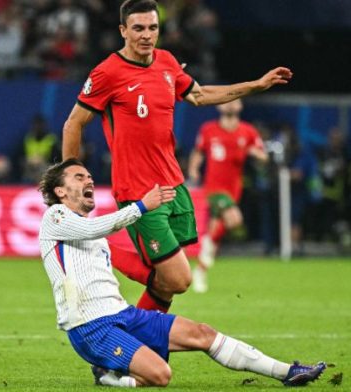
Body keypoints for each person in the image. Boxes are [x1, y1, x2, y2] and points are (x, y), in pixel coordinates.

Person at [61, 0, 293, 312]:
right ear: (123, 31)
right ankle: (96, 245)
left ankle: (133, 349)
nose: (146, 35)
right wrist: (71, 180)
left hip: (173, 185)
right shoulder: (108, 73)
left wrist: (255, 85)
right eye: (138, 28)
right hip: (138, 191)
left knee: (167, 285)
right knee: (180, 278)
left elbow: (199, 95)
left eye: (152, 27)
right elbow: (74, 123)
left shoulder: (167, 62)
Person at [37, 159, 326, 388]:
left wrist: (155, 279)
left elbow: (110, 252)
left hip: (123, 314)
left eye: (89, 176)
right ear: (60, 192)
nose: (88, 180)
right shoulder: (55, 217)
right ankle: (110, 377)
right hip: (91, 327)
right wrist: (141, 206)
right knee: (160, 376)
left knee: (203, 333)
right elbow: (95, 227)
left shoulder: (94, 234)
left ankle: (287, 371)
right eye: (79, 177)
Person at [187, 99, 268, 293]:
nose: (231, 105)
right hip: (214, 189)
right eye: (227, 101)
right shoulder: (209, 129)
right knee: (235, 219)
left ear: (240, 106)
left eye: (235, 101)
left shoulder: (247, 131)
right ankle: (202, 260)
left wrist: (255, 154)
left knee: (217, 230)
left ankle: (201, 268)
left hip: (234, 191)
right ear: (219, 106)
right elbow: (198, 152)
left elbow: (263, 155)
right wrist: (193, 168)